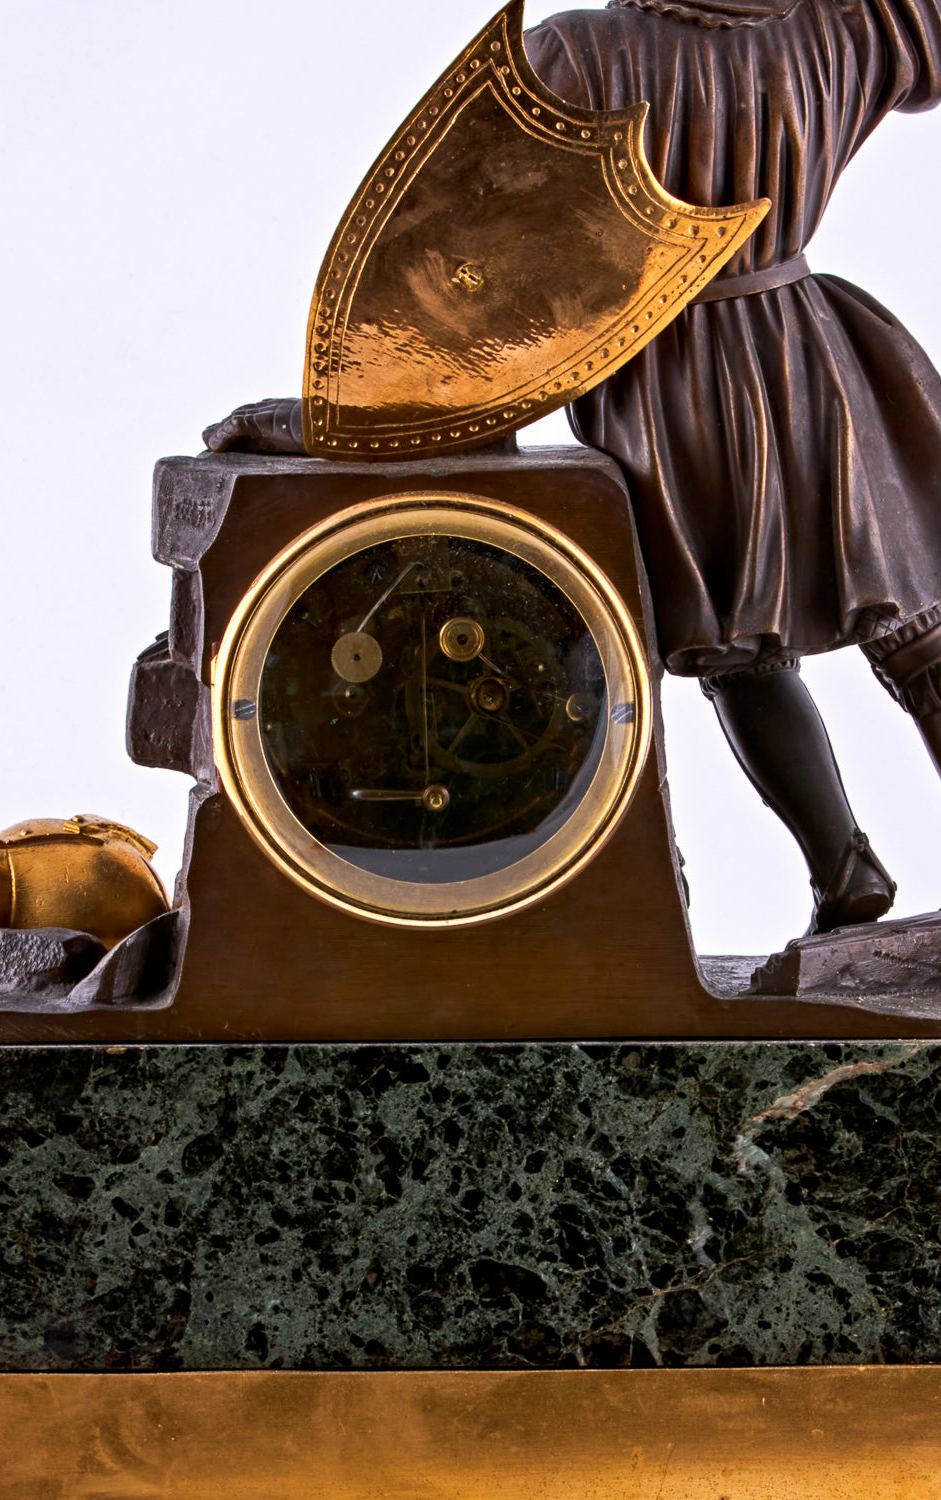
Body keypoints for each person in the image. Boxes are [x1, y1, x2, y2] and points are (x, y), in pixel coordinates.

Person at [206, 0, 941, 937]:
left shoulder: (580, 55)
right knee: (912, 627)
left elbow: (468, 290)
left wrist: (343, 416)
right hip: (812, 356)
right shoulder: (847, 25)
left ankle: (843, 866)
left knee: (736, 648)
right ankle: (842, 873)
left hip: (673, 384)